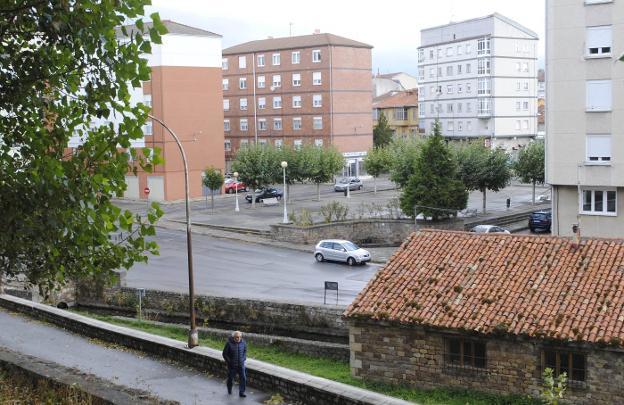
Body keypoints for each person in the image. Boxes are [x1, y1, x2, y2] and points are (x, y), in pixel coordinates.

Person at [222, 330, 247, 397]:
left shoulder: (243, 343)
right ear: (233, 337)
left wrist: (243, 359)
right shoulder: (229, 343)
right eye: (236, 337)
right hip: (232, 366)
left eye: (239, 337)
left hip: (241, 365)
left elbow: (245, 352)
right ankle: (229, 389)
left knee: (243, 378)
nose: (238, 338)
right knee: (230, 378)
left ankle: (241, 392)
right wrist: (229, 362)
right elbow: (224, 354)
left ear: (241, 337)